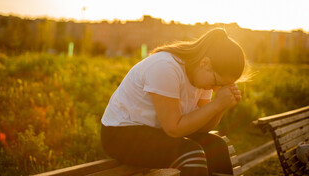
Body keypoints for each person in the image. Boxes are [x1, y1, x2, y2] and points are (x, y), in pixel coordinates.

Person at [101, 28, 245, 176]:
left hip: (156, 131)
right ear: (205, 63)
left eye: (221, 86)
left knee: (217, 147)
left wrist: (220, 107)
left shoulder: (203, 77)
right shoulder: (165, 67)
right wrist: (216, 104)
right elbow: (174, 128)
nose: (215, 89)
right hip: (120, 134)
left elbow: (202, 127)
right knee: (192, 155)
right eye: (217, 82)